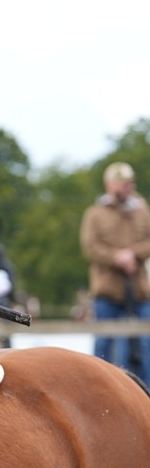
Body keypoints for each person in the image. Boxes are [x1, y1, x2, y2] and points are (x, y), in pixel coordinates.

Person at [80, 162, 150, 379]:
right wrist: (116, 258)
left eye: (130, 183)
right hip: (107, 291)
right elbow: (90, 247)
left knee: (146, 342)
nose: (127, 187)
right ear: (109, 184)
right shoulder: (95, 214)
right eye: (122, 183)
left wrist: (133, 254)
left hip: (139, 290)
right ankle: (98, 387)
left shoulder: (142, 211)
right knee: (104, 343)